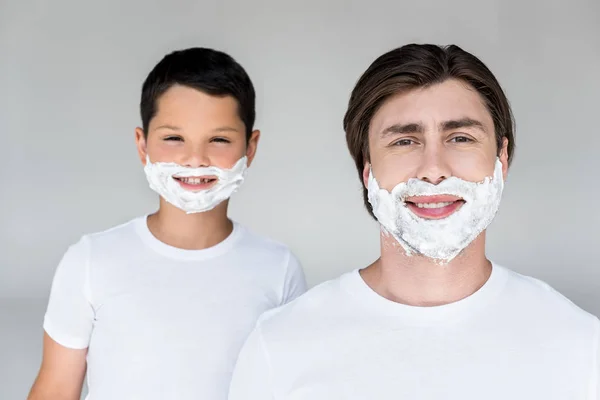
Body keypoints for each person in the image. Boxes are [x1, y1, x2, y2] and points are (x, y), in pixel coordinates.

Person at [228, 44, 599, 399]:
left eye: (460, 137)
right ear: (367, 168)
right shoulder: (280, 345)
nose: (433, 169)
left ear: (501, 159)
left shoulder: (578, 345)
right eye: (404, 141)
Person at [28, 47, 307, 400]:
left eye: (219, 139)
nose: (195, 159)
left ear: (250, 148)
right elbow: (55, 388)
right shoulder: (90, 261)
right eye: (173, 138)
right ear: (142, 145)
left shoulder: (278, 269)